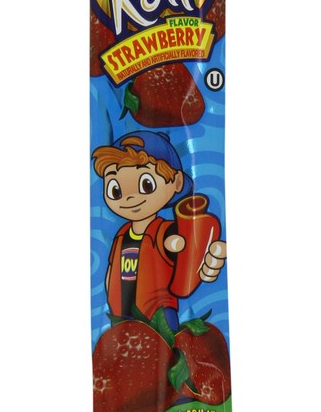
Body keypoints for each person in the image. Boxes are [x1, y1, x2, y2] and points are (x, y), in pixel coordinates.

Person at [92, 131, 226, 332]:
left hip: (159, 316)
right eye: (116, 190)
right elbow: (112, 270)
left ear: (177, 183)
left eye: (146, 185)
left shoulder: (163, 231)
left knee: (166, 346)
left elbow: (180, 245)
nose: (129, 198)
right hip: (120, 316)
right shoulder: (121, 234)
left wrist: (204, 257)